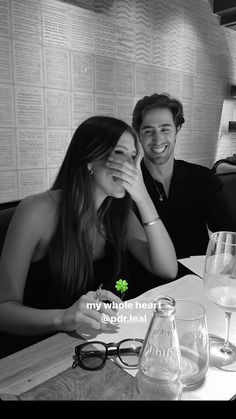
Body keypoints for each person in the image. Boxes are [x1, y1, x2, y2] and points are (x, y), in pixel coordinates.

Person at [0, 116, 177, 358]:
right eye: (119, 153)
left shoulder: (118, 213)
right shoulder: (36, 211)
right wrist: (62, 318)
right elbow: (4, 310)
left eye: (133, 157)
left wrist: (143, 197)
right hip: (42, 352)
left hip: (100, 347)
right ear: (89, 160)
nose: (130, 167)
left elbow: (167, 269)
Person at [131, 92, 228, 261]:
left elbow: (229, 236)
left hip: (196, 280)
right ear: (138, 135)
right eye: (148, 131)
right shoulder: (126, 187)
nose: (157, 139)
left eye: (165, 129)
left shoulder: (203, 179)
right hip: (146, 282)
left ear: (177, 130)